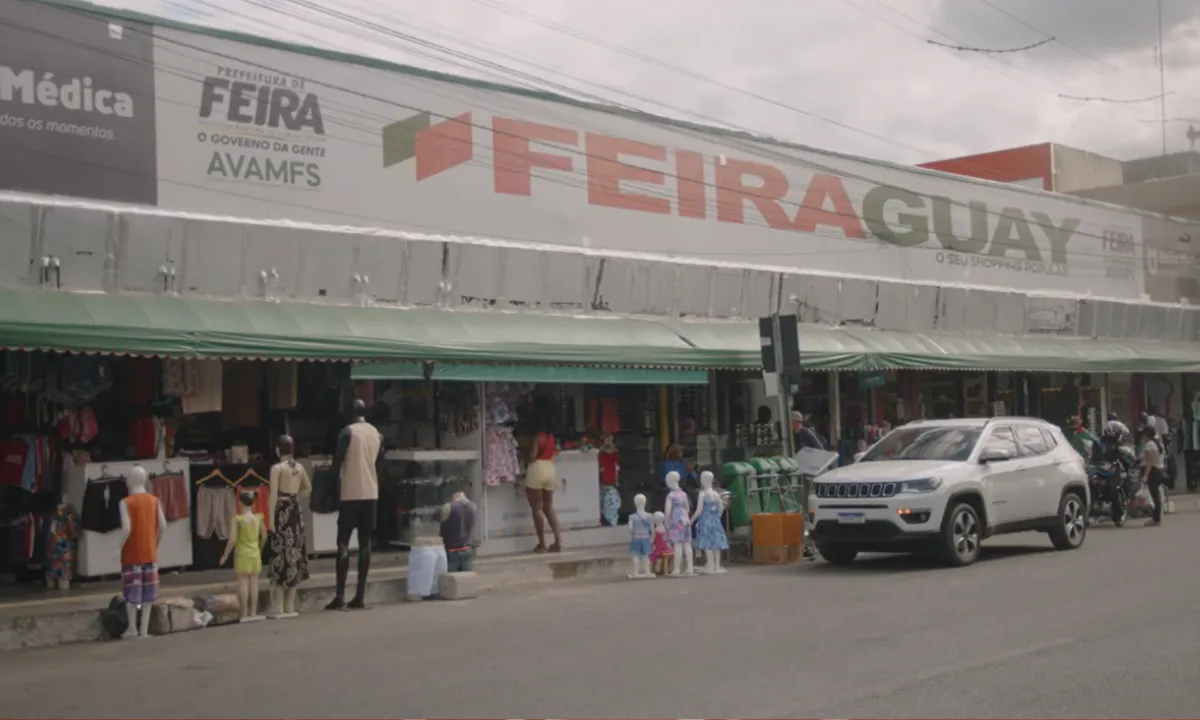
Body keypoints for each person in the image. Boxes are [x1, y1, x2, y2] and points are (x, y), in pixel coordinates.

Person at [524, 412, 562, 553]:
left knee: (537, 508)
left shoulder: (536, 437)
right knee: (549, 508)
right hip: (550, 469)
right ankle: (558, 540)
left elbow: (532, 457)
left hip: (537, 470)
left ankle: (542, 544)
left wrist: (525, 456)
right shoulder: (551, 437)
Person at [1140, 425, 1166, 527]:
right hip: (1157, 471)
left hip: (1153, 472)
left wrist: (1145, 475)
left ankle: (1156, 519)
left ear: (1146, 435)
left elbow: (1149, 461)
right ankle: (1156, 518)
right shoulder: (1156, 443)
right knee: (1156, 496)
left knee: (1154, 496)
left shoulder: (1149, 445)